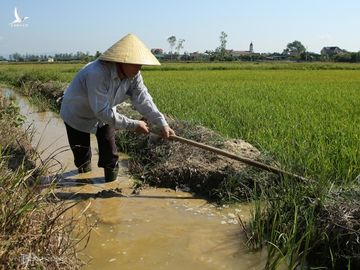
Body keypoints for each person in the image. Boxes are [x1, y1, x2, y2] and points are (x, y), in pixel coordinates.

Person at [60, 33, 175, 182]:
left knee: (110, 153)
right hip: (77, 114)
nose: (139, 68)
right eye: (135, 63)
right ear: (122, 61)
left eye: (140, 64)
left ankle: (110, 186)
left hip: (105, 114)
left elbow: (143, 99)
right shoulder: (97, 73)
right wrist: (134, 125)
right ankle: (83, 183)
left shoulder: (134, 75)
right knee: (82, 157)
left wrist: (162, 123)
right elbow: (101, 111)